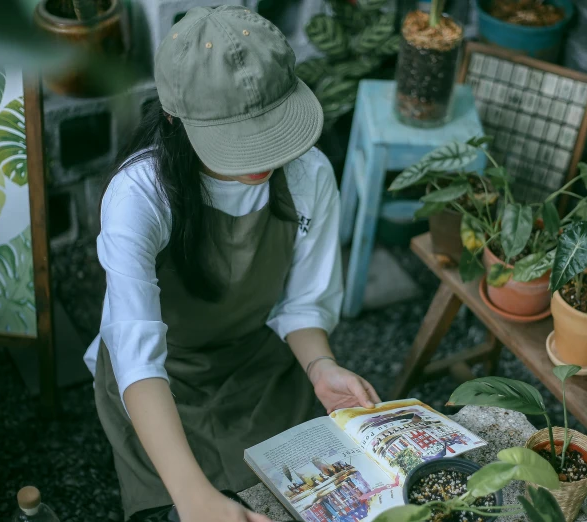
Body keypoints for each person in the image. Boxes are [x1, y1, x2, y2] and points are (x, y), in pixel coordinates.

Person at [82, 6, 380, 522]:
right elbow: (138, 356)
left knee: (315, 497)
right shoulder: (138, 196)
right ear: (175, 117)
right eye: (239, 138)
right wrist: (196, 500)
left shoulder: (309, 174)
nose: (263, 158)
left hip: (255, 363)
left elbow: (303, 303)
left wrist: (320, 366)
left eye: (273, 129)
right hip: (160, 380)